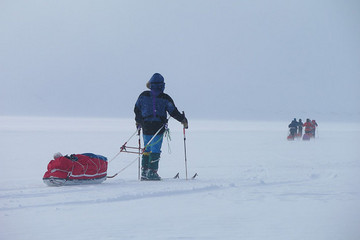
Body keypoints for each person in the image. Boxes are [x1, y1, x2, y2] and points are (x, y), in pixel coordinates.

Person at [134, 73, 188, 180]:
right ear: (162, 85)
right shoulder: (165, 98)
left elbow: (137, 109)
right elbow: (173, 111)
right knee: (155, 149)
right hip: (157, 127)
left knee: (147, 148)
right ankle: (152, 172)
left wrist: (138, 121)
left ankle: (144, 171)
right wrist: (183, 120)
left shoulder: (143, 95)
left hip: (146, 126)